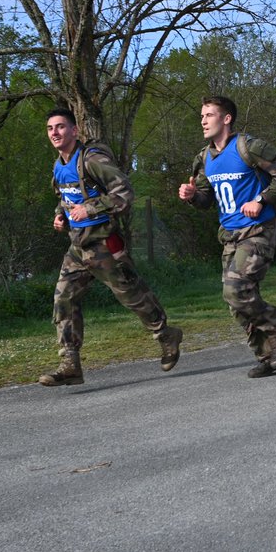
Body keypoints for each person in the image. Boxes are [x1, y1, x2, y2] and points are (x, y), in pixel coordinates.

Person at [40, 108, 182, 386]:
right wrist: (61, 215)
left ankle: (166, 335)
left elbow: (125, 194)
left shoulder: (92, 159)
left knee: (132, 295)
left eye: (60, 127)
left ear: (74, 131)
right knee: (63, 300)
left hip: (104, 243)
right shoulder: (59, 165)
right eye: (50, 129)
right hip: (78, 247)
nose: (54, 133)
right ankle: (70, 364)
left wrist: (90, 208)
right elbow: (66, 198)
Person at [179, 96, 276, 378]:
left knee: (236, 290)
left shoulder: (248, 147)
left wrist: (261, 198)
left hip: (258, 230)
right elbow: (207, 199)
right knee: (236, 303)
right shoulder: (204, 158)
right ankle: (267, 355)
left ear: (226, 119)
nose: (203, 121)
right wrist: (193, 195)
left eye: (209, 115)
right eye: (202, 116)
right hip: (229, 236)